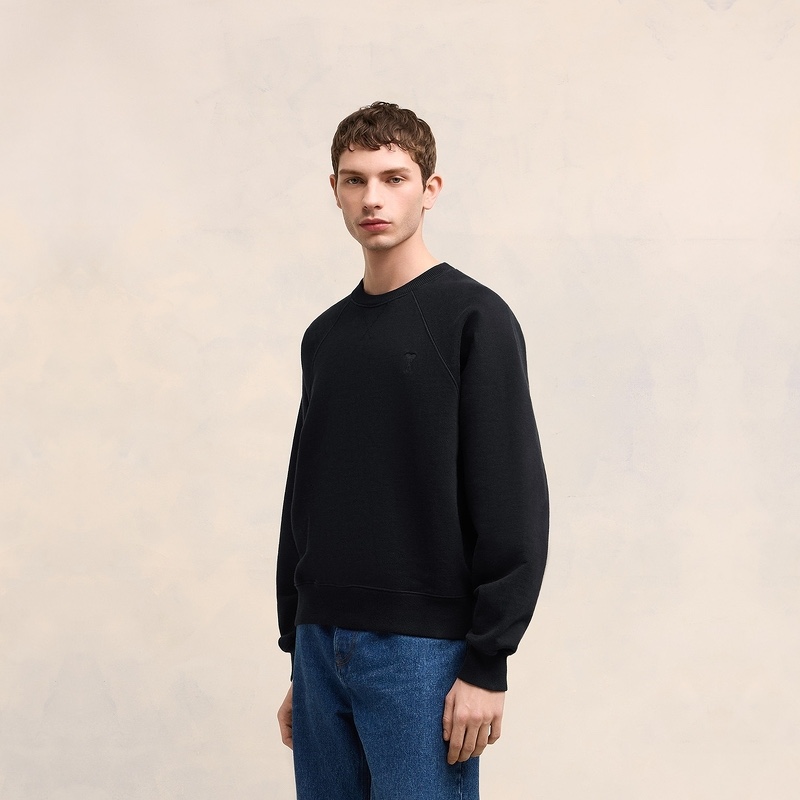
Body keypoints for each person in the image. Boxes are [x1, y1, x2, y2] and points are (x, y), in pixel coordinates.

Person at [276, 101, 549, 800]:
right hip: (320, 648)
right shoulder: (325, 336)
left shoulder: (473, 319)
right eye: (354, 179)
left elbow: (511, 497)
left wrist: (487, 661)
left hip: (420, 654)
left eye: (393, 178)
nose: (372, 198)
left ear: (430, 189)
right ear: (335, 189)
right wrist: (300, 649)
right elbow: (307, 492)